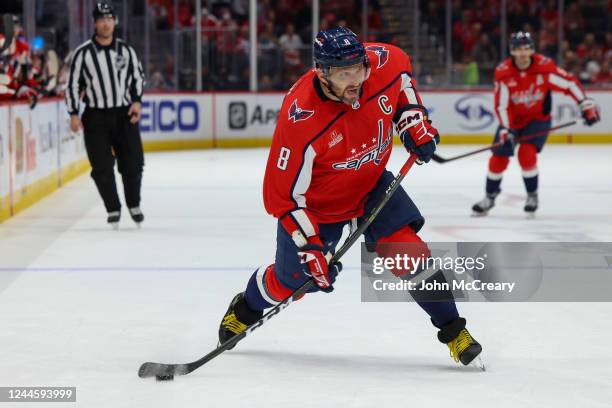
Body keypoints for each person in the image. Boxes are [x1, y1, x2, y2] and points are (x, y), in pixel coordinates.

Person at [218, 27, 483, 367]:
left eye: (358, 69)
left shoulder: (383, 63)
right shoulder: (300, 118)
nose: (355, 79)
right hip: (318, 208)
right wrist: (310, 244)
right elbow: (282, 197)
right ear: (322, 73)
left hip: (371, 185)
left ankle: (454, 330)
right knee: (293, 283)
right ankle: (246, 307)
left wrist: (413, 122)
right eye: (344, 74)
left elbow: (402, 85)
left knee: (409, 254)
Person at [472, 31, 600, 217]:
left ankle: (532, 195)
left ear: (532, 49)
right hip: (512, 121)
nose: (523, 53)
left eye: (526, 48)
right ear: (512, 51)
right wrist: (506, 129)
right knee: (498, 159)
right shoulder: (504, 72)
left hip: (537, 119)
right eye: (518, 49)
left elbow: (569, 84)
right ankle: (489, 196)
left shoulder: (544, 67)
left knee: (527, 154)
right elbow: (502, 105)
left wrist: (585, 103)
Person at [65, 3, 146, 228]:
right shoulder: (83, 53)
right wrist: (73, 113)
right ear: (95, 23)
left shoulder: (126, 51)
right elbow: (72, 85)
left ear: (115, 22)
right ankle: (113, 208)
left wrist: (137, 101)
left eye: (109, 18)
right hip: (95, 116)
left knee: (134, 163)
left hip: (123, 114)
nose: (106, 23)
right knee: (101, 166)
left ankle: (133, 203)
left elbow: (138, 77)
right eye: (101, 19)